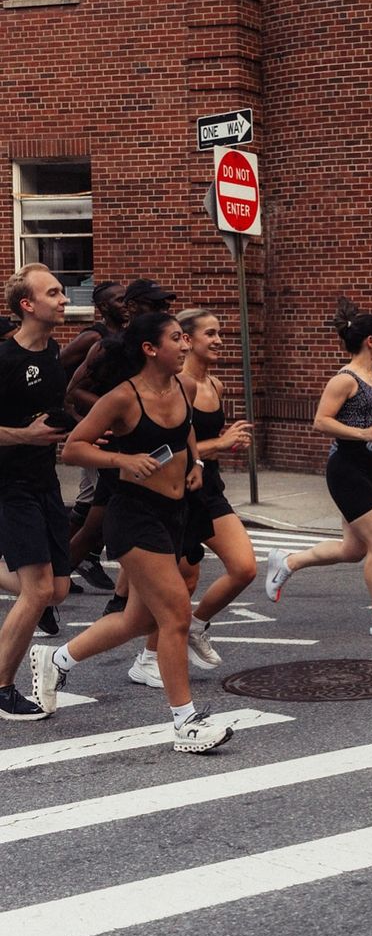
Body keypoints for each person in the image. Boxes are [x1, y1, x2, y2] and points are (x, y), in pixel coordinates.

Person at [30, 311, 234, 753]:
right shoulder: (123, 398)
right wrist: (123, 461)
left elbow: (187, 432)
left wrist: (196, 463)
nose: (185, 345)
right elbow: (74, 449)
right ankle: (186, 723)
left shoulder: (185, 386)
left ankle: (55, 658)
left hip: (175, 512)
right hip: (134, 514)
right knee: (177, 613)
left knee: (138, 618)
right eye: (177, 339)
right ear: (150, 348)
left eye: (185, 338)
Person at [262, 301, 372, 639]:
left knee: (353, 549)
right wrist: (363, 433)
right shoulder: (344, 379)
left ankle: (287, 562)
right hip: (346, 468)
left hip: (370, 467)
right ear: (370, 341)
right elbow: (321, 421)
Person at [126, 308, 257, 686]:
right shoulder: (175, 384)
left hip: (208, 488)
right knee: (181, 583)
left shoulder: (214, 386)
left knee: (244, 567)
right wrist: (221, 442)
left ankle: (198, 624)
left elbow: (201, 444)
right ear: (186, 339)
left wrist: (222, 441)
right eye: (210, 334)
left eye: (220, 334)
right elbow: (172, 447)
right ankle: (148, 658)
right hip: (174, 491)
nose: (218, 341)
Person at [65, 278, 176, 616]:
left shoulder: (158, 346)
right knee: (99, 523)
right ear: (132, 308)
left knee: (103, 522)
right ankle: (50, 585)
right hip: (118, 448)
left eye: (164, 306)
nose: (162, 311)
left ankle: (119, 598)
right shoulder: (107, 346)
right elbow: (73, 392)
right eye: (154, 305)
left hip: (149, 448)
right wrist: (114, 411)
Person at [0, 264, 71, 721]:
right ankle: (2, 688)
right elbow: (26, 429)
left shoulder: (53, 352)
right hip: (8, 484)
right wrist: (25, 437)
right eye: (54, 292)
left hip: (45, 481)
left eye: (63, 291)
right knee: (37, 590)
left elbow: (50, 416)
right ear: (28, 305)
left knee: (57, 590)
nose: (64, 298)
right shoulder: (3, 358)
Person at [60, 281, 126, 596]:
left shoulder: (124, 338)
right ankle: (66, 564)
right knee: (96, 504)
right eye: (117, 299)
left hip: (111, 431)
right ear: (103, 307)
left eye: (127, 298)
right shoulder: (94, 337)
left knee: (90, 503)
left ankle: (65, 562)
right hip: (96, 434)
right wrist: (76, 417)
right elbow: (58, 372)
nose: (124, 303)